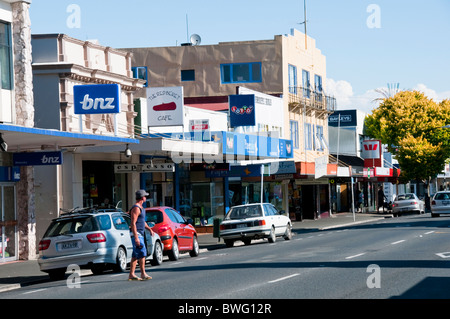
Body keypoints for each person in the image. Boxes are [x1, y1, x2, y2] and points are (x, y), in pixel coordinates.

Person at [128, 189, 153, 281]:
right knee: (142, 253)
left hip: (140, 233)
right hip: (137, 233)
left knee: (135, 255)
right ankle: (143, 273)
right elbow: (133, 223)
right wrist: (136, 237)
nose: (146, 197)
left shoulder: (141, 208)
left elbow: (142, 221)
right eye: (145, 196)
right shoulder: (136, 208)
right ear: (142, 198)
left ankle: (131, 274)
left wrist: (149, 229)